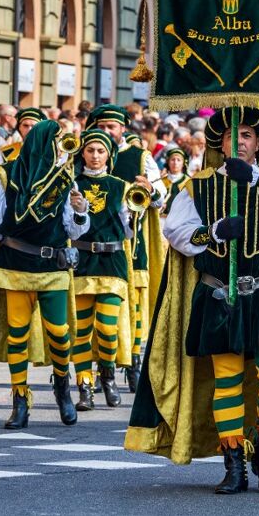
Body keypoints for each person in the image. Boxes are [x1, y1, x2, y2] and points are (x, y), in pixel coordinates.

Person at [126, 107, 259, 495]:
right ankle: (233, 464)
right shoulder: (198, 186)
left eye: (247, 135)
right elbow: (177, 232)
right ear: (222, 143)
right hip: (218, 292)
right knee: (226, 381)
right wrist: (212, 233)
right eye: (233, 136)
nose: (240, 142)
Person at [0, 120, 90, 429]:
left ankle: (62, 386)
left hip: (53, 266)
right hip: (15, 265)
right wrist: (11, 237)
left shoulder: (64, 180)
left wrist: (79, 211)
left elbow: (74, 228)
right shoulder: (6, 175)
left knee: (59, 333)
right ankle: (20, 399)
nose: (61, 149)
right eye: (57, 142)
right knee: (17, 333)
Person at [85, 104, 165, 392]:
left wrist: (152, 189)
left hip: (132, 242)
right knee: (94, 315)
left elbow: (160, 196)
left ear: (122, 129)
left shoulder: (140, 157)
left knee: (134, 306)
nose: (106, 132)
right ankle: (96, 368)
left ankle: (133, 360)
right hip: (90, 244)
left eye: (112, 127)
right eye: (102, 126)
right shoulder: (85, 152)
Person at [69, 129, 132, 410]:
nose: (95, 156)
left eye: (101, 151)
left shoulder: (121, 185)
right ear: (82, 152)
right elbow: (67, 226)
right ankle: (84, 385)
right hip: (82, 261)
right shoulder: (71, 184)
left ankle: (107, 374)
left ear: (109, 154)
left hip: (112, 262)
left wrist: (136, 214)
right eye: (91, 150)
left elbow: (129, 232)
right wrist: (78, 210)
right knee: (81, 330)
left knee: (107, 329)